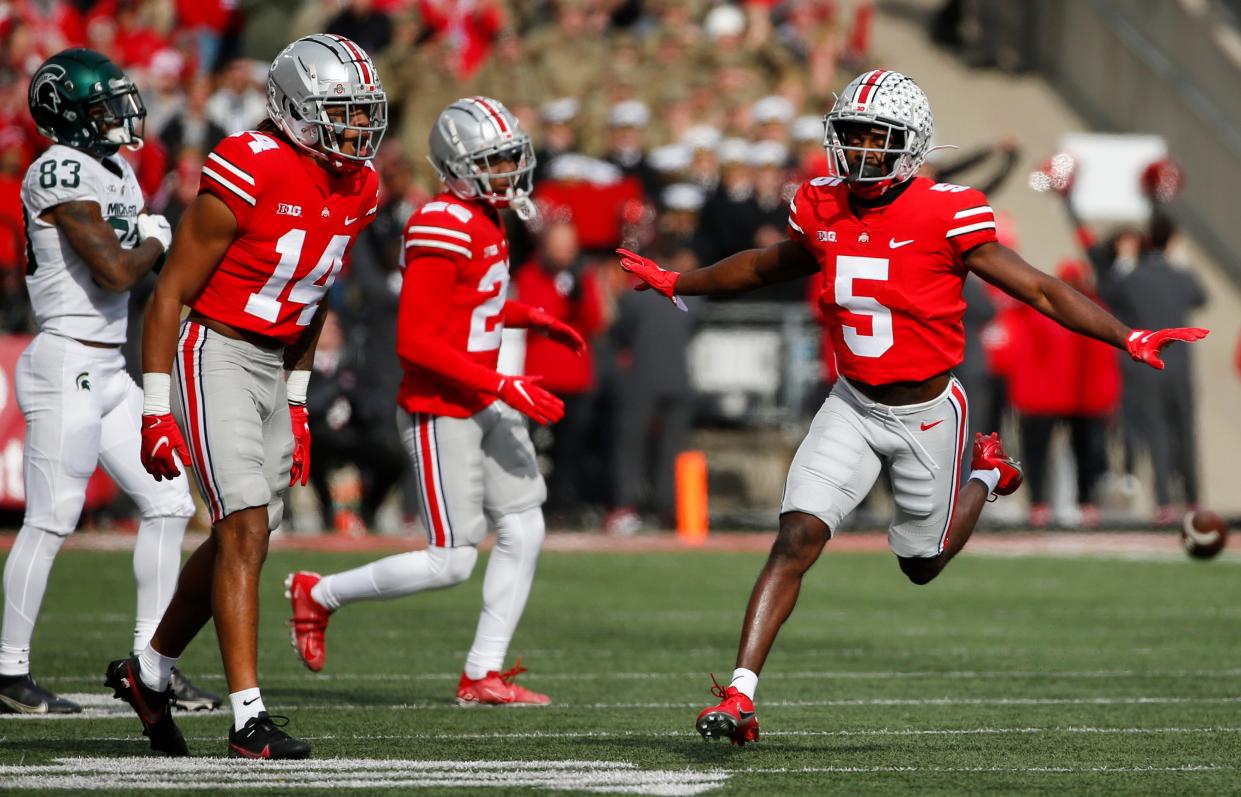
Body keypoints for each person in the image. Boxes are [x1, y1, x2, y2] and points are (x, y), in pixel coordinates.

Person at [615, 69, 1209, 745]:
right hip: (851, 403)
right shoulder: (820, 202)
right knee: (796, 536)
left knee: (919, 564)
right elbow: (765, 264)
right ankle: (739, 693)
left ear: (912, 144)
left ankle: (985, 471)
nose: (862, 150)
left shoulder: (946, 211)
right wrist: (678, 282)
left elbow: (1040, 289)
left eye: (878, 137)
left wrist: (1124, 334)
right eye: (852, 135)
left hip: (928, 409)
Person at [103, 33, 386, 759]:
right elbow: (169, 295)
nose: (356, 129)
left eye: (361, 112)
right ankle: (246, 718)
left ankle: (150, 670)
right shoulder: (246, 164)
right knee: (246, 529)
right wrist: (154, 407)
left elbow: (314, 290)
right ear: (292, 109)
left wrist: (295, 396)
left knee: (244, 534)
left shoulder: (359, 183)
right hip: (216, 349)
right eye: (339, 112)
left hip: (273, 361)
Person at [286, 96, 582, 706]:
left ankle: (482, 673)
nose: (508, 172)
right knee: (451, 561)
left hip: (481, 394)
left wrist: (529, 318)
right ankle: (319, 594)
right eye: (494, 161)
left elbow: (472, 306)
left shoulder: (487, 216)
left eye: (510, 159)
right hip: (442, 405)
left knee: (524, 526)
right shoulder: (440, 222)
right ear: (458, 164)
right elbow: (416, 340)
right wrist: (504, 383)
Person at [0, 48, 218, 716]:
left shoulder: (114, 168)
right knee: (52, 518)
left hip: (109, 366)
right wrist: (156, 239)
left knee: (170, 504)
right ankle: (7, 673)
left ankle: (151, 666)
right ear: (69, 116)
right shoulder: (57, 167)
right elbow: (117, 273)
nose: (122, 116)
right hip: (68, 359)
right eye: (104, 106)